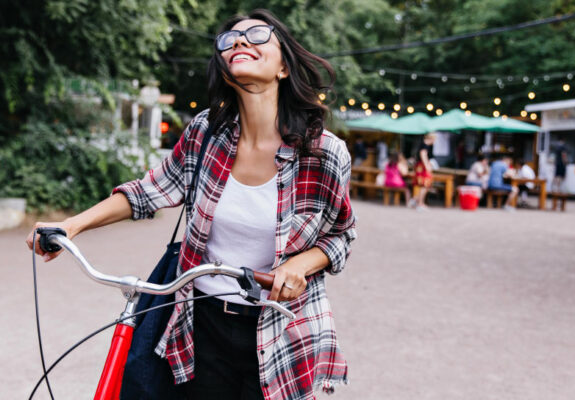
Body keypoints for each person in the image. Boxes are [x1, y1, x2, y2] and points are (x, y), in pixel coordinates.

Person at [26, 9, 356, 400]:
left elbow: (340, 235)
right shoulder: (206, 133)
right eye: (229, 39)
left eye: (255, 33)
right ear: (227, 71)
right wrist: (71, 225)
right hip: (201, 322)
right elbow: (147, 191)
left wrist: (301, 264)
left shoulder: (323, 153)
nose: (239, 41)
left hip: (280, 328)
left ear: (284, 66)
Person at [411, 133, 436, 210]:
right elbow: (423, 154)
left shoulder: (423, 144)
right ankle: (420, 203)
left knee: (425, 185)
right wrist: (427, 166)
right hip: (423, 167)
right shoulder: (425, 145)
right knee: (425, 185)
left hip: (420, 167)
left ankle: (415, 200)